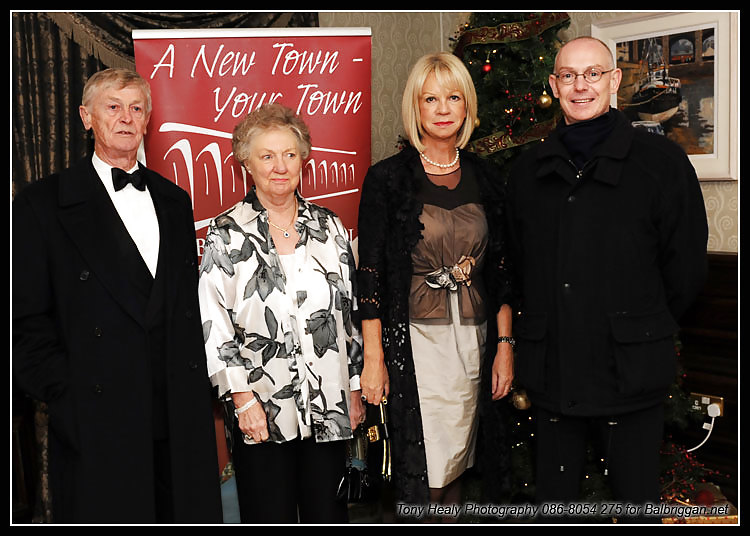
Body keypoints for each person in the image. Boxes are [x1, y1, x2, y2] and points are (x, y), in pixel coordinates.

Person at [506, 37, 708, 522]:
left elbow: (685, 271)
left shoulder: (661, 164)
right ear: (554, 85)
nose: (581, 86)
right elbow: (517, 266)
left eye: (593, 74)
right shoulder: (527, 170)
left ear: (614, 81)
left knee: (637, 508)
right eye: (569, 76)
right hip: (554, 373)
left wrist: (639, 326)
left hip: (631, 372)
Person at [12, 68, 223, 523]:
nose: (126, 118)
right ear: (87, 117)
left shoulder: (174, 199)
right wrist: (67, 397)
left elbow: (183, 304)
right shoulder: (42, 204)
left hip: (177, 411)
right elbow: (26, 321)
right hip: (99, 415)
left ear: (147, 119)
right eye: (113, 107)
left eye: (136, 108)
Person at [356, 52, 514, 515]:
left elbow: (502, 270)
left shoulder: (488, 177)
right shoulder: (386, 178)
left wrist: (505, 344)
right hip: (416, 350)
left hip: (475, 347)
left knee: (461, 463)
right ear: (416, 107)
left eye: (454, 97)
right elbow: (371, 275)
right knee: (424, 471)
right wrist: (373, 359)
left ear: (466, 107)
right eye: (431, 98)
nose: (443, 108)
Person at [198, 103, 365, 524]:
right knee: (268, 514)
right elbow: (213, 324)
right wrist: (241, 398)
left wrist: (356, 388)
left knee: (327, 514)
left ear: (303, 160)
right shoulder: (226, 233)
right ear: (246, 164)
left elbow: (349, 316)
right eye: (267, 156)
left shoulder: (331, 228)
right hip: (261, 408)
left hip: (329, 404)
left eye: (289, 154)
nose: (279, 166)